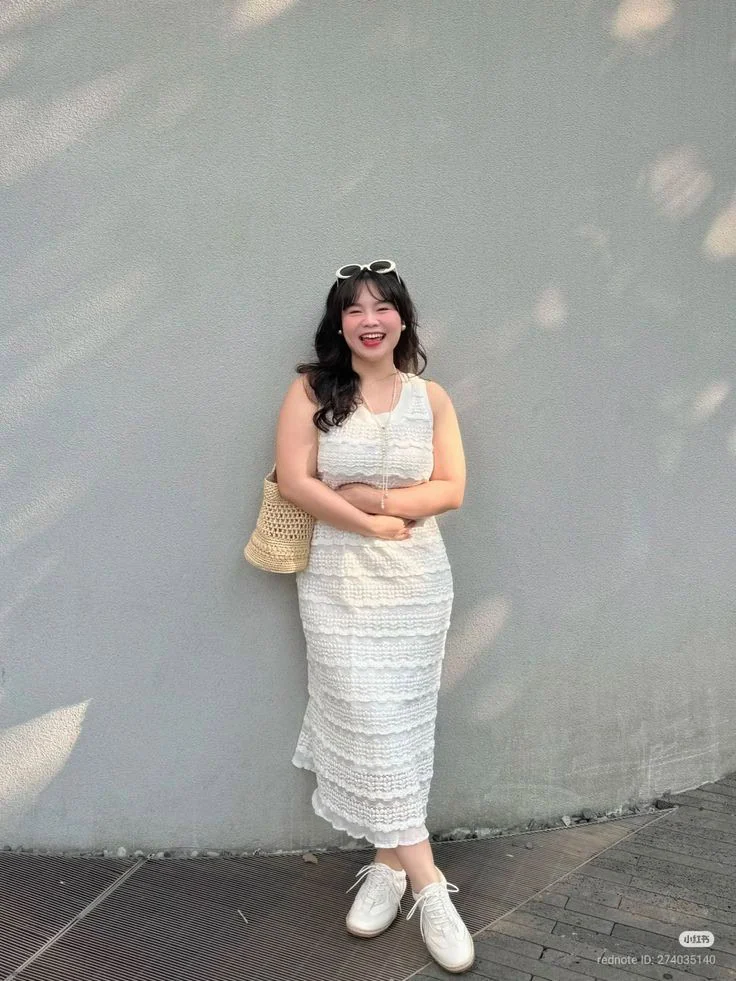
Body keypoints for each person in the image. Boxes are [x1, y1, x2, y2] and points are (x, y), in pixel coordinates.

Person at [275, 260, 473, 973]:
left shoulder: (433, 397)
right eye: (353, 308)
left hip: (418, 582)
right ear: (338, 323)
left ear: (401, 318)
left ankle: (390, 865)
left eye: (381, 306)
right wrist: (363, 524)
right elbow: (296, 480)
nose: (368, 318)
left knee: (403, 724)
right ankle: (431, 885)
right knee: (366, 714)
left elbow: (451, 489)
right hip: (338, 582)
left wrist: (381, 506)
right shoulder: (312, 390)